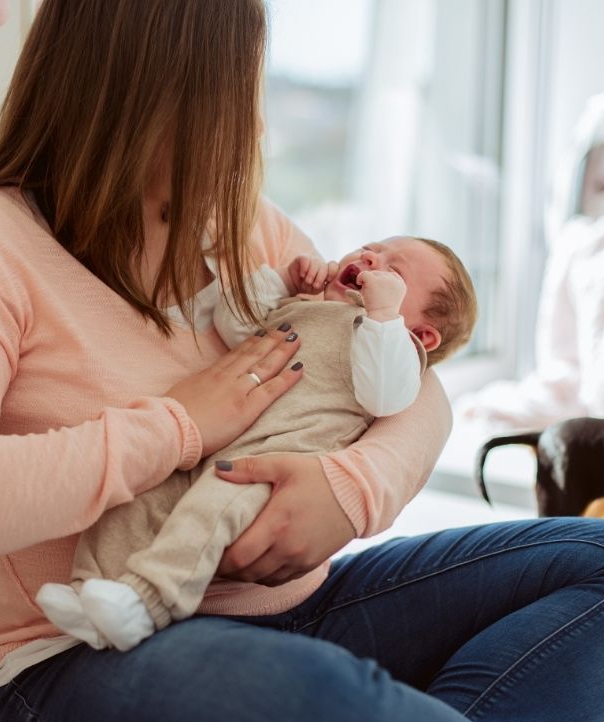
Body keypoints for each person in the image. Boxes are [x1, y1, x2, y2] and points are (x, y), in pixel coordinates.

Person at [0, 1, 604, 722]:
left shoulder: (238, 225)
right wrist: (181, 424)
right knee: (313, 696)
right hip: (83, 658)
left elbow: (409, 380)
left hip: (307, 607)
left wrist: (349, 492)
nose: (258, 125)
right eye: (242, 93)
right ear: (154, 98)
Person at [36, 236, 478, 652]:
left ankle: (148, 601)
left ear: (422, 335)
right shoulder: (308, 305)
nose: (370, 258)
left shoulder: (394, 349)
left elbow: (387, 396)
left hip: (278, 458)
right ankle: (91, 592)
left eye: (393, 270)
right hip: (216, 441)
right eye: (371, 248)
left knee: (208, 511)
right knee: (142, 497)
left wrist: (383, 315)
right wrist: (282, 281)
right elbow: (235, 321)